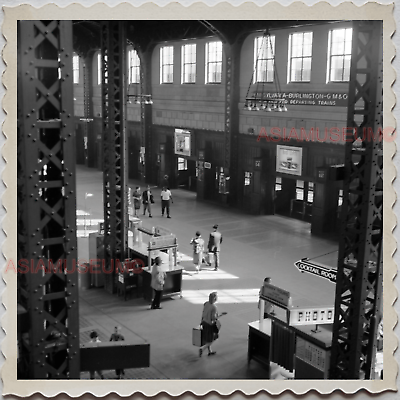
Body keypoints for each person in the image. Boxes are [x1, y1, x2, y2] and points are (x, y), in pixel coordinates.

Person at [199, 292, 220, 357]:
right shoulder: (214, 307)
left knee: (208, 338)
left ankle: (210, 351)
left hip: (204, 322)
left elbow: (203, 312)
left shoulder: (206, 303)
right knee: (214, 338)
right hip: (209, 325)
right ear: (215, 299)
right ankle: (202, 349)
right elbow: (213, 317)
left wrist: (201, 321)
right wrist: (217, 317)